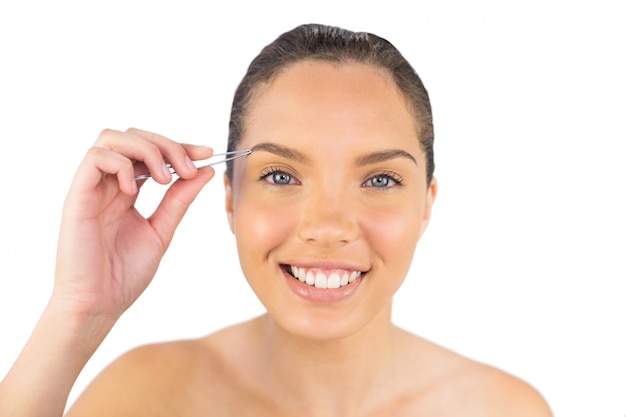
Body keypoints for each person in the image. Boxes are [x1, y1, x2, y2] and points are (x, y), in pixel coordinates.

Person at [0, 23, 552, 416]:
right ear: (231, 198)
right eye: (282, 176)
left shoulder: (505, 408)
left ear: (427, 204)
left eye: (380, 180)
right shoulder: (146, 396)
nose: (328, 226)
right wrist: (78, 313)